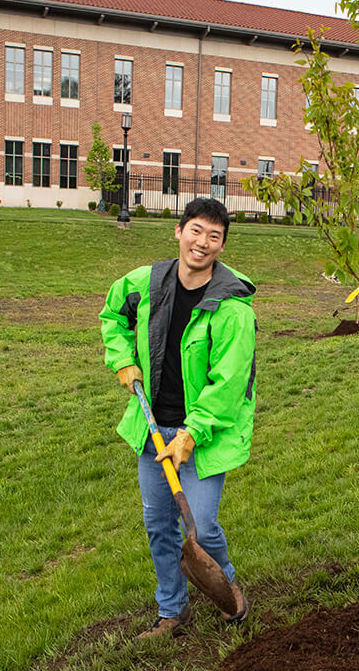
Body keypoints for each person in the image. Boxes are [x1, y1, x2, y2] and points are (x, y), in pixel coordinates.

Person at [100, 197, 256, 638]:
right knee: (159, 525)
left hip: (204, 432)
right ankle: (173, 609)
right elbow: (112, 314)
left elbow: (228, 384)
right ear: (179, 231)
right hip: (152, 426)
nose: (202, 243)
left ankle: (223, 584)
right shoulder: (146, 282)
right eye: (196, 231)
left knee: (200, 526)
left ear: (222, 246)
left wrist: (192, 433)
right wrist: (122, 359)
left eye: (214, 236)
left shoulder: (233, 307)